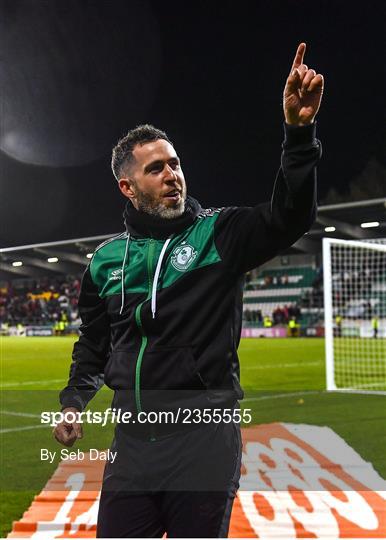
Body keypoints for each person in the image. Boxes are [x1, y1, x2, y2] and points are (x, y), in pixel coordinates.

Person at [54, 42, 324, 538]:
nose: (172, 175)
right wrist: (74, 402)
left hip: (204, 444)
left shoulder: (219, 235)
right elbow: (94, 344)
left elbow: (289, 216)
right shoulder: (106, 261)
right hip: (132, 446)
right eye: (155, 168)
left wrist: (299, 133)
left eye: (174, 164)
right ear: (127, 186)